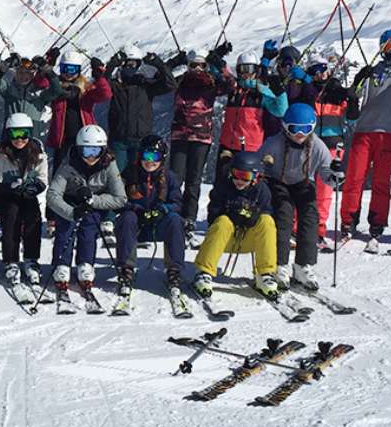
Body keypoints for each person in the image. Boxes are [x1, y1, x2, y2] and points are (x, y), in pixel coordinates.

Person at [340, 29, 391, 252]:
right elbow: (353, 105)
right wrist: (354, 87)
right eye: (385, 47)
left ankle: (377, 222)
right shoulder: (373, 71)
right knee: (354, 177)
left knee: (381, 181)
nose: (389, 51)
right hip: (364, 130)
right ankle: (349, 220)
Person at [260, 102, 344, 290]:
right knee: (283, 215)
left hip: (303, 183)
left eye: (306, 129)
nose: (300, 134)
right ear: (285, 127)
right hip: (278, 182)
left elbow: (325, 172)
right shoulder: (274, 143)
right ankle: (279, 264)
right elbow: (259, 163)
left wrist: (335, 176)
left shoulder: (317, 146)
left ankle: (302, 266)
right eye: (295, 129)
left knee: (310, 217)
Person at [46, 124, 127, 304]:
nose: (90, 156)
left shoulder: (109, 164)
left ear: (103, 150)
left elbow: (120, 198)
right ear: (78, 149)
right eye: (86, 150)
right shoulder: (69, 163)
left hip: (91, 204)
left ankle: (86, 263)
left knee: (89, 228)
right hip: (69, 203)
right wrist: (71, 212)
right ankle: (61, 265)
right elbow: (53, 195)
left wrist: (93, 201)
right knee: (65, 230)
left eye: (95, 151)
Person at [193, 149, 279, 300]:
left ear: (255, 177)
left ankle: (265, 274)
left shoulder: (262, 191)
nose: (239, 180)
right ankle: (205, 272)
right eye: (236, 174)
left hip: (250, 240)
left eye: (245, 177)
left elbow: (267, 212)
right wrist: (230, 213)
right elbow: (213, 215)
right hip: (224, 240)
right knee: (223, 222)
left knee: (267, 221)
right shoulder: (223, 187)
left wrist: (253, 215)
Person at [167, 45, 232, 237]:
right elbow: (163, 80)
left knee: (194, 180)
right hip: (180, 136)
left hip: (201, 138)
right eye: (193, 65)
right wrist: (172, 63)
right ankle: (173, 214)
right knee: (175, 178)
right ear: (188, 66)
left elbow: (231, 84)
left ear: (206, 66)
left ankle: (189, 218)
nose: (197, 69)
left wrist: (219, 63)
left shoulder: (212, 84)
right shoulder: (179, 82)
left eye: (201, 65)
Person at [114, 134, 185, 299]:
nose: (150, 161)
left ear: (163, 158)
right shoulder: (130, 175)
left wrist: (163, 209)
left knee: (175, 220)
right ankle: (126, 268)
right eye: (147, 155)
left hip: (158, 224)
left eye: (156, 156)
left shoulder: (169, 178)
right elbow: (119, 200)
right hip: (137, 225)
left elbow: (177, 203)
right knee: (126, 218)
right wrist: (135, 209)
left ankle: (174, 270)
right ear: (140, 155)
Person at [0, 112, 48, 296]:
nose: (19, 139)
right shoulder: (2, 155)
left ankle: (31, 258)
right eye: (15, 134)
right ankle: (11, 259)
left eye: (23, 134)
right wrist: (10, 188)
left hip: (26, 197)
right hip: (5, 199)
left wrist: (32, 188)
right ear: (8, 134)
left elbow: (42, 179)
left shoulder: (38, 154)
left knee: (33, 214)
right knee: (12, 214)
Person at [213, 49, 287, 183]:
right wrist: (218, 63)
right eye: (243, 69)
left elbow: (280, 111)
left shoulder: (261, 91)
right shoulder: (233, 89)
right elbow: (223, 77)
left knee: (248, 183)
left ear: (256, 70)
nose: (246, 74)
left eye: (250, 69)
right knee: (222, 184)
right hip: (227, 145)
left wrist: (280, 92)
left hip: (251, 147)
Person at [307, 54, 359, 239]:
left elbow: (352, 116)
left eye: (322, 70)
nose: (319, 75)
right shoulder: (310, 93)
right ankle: (299, 226)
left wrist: (351, 99)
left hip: (332, 144)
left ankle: (319, 227)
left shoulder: (336, 93)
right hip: (310, 144)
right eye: (314, 71)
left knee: (324, 189)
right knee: (304, 186)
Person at [104, 51, 176, 171]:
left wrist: (158, 64)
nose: (130, 67)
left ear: (139, 65)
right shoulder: (116, 86)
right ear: (122, 66)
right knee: (116, 175)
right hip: (119, 140)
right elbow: (101, 86)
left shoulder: (147, 86)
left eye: (134, 64)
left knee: (137, 177)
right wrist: (112, 65)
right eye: (127, 64)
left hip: (141, 141)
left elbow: (170, 84)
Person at [46, 51, 111, 173]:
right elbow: (41, 83)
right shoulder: (56, 87)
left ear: (79, 70)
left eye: (73, 69)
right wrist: (48, 66)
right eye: (66, 68)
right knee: (59, 171)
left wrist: (99, 77)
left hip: (84, 137)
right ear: (61, 68)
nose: (69, 73)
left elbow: (105, 95)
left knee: (84, 170)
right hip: (62, 138)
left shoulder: (85, 88)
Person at [0, 53, 62, 140]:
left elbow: (56, 90)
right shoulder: (9, 90)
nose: (23, 76)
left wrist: (47, 70)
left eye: (27, 73)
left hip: (32, 138)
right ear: (15, 73)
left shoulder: (39, 93)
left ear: (32, 75)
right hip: (10, 137)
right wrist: (2, 68)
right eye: (20, 72)